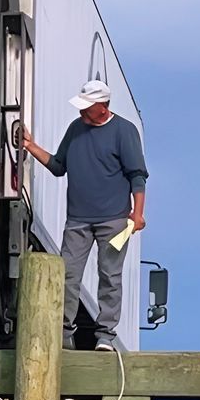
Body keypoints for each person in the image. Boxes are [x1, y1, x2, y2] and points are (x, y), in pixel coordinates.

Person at [20, 80, 148, 351]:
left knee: (110, 276)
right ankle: (64, 336)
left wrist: (138, 213)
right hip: (77, 219)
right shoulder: (76, 129)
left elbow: (137, 175)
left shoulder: (124, 131)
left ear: (102, 107)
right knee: (67, 277)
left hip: (113, 219)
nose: (81, 112)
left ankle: (105, 336)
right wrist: (30, 146)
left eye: (86, 107)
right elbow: (58, 166)